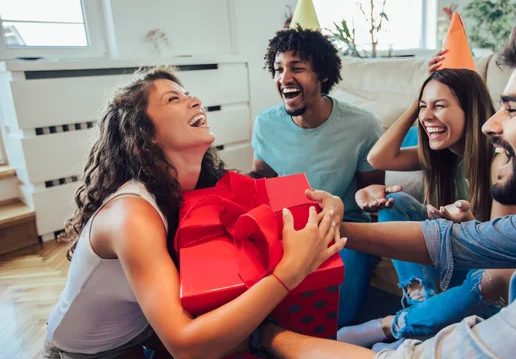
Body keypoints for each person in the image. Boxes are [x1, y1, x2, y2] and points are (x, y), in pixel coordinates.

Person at [254, 24, 516, 358]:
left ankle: (402, 321)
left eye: (512, 109)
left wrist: (266, 334)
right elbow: (449, 240)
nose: (491, 125)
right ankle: (420, 303)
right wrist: (327, 227)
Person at [43, 66, 346, 358]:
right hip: (88, 353)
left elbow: (267, 204)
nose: (196, 100)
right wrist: (288, 274)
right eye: (173, 99)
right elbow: (186, 348)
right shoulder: (132, 214)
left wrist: (329, 204)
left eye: (188, 94)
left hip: (142, 333)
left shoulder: (196, 182)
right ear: (144, 134)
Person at [344, 47, 516, 346]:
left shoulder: (498, 164)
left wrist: (467, 223)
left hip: (487, 275)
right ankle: (423, 306)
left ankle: (398, 324)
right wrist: (418, 105)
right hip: (448, 260)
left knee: (483, 284)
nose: (427, 116)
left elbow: (503, 257)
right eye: (423, 107)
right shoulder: (443, 155)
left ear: (471, 109)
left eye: (439, 106)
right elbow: (379, 157)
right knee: (396, 203)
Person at [250, 26, 386, 326]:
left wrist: (373, 238)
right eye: (278, 69)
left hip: (346, 233)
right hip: (289, 230)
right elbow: (262, 178)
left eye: (296, 68)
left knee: (335, 319)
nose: (284, 78)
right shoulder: (265, 124)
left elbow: (373, 193)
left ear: (322, 74)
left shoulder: (363, 125)